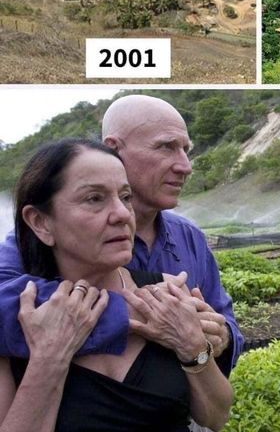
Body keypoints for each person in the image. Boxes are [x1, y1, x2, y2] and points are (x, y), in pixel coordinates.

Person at [0, 95, 243, 378]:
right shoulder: (43, 237)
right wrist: (137, 311)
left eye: (185, 150)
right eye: (166, 147)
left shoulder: (190, 238)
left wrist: (220, 335)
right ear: (113, 149)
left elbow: (226, 322)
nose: (185, 166)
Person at [0, 138, 232, 432]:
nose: (123, 214)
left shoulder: (168, 294)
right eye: (94, 199)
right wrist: (49, 360)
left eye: (125, 197)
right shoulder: (19, 321)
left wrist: (194, 349)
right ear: (40, 222)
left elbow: (216, 416)